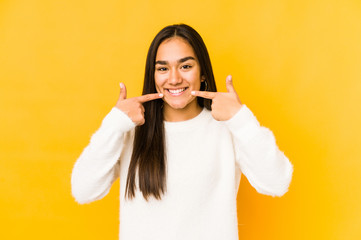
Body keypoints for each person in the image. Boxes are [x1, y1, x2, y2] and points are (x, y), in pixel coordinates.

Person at [71, 23, 293, 240]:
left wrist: (241, 120)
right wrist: (113, 125)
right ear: (153, 75)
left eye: (186, 66)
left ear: (202, 73)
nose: (174, 78)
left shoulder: (227, 129)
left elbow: (276, 182)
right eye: (163, 68)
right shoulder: (130, 131)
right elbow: (83, 190)